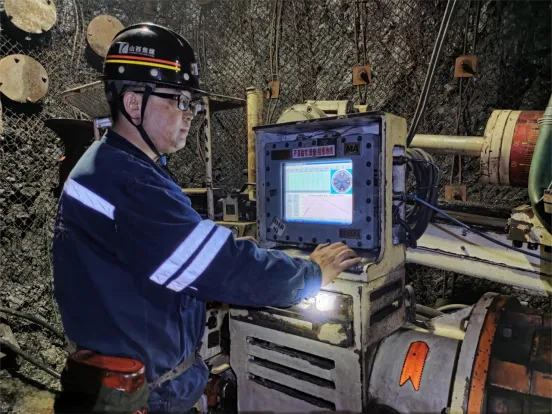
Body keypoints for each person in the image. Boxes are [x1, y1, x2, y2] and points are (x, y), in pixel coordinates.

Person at [52, 22, 360, 413]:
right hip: (142, 399)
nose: (190, 114)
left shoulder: (111, 166)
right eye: (179, 100)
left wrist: (223, 252)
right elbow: (222, 268)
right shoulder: (127, 182)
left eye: (192, 104)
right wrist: (311, 274)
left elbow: (165, 253)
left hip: (120, 385)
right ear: (133, 104)